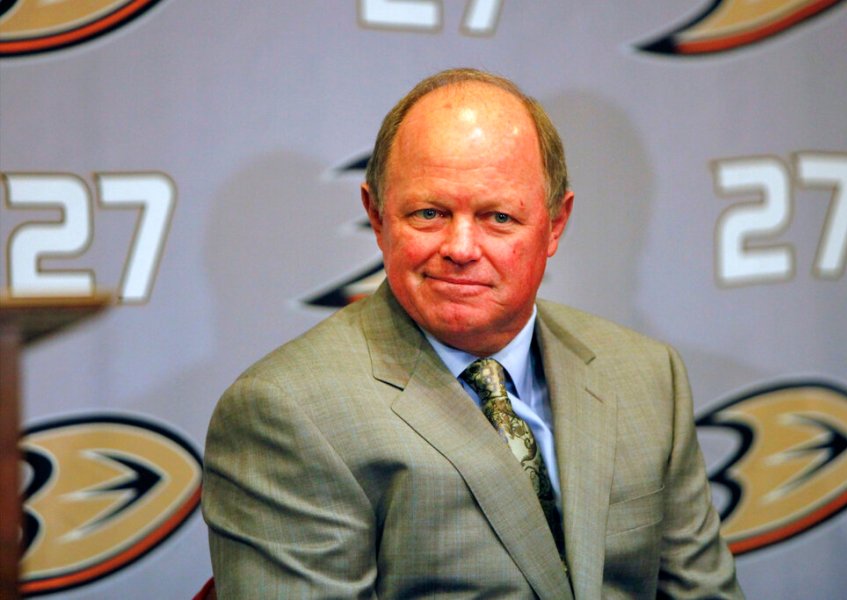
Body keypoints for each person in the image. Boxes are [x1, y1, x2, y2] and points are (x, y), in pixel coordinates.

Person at [202, 68, 743, 599]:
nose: (461, 248)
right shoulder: (286, 412)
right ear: (377, 215)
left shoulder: (647, 376)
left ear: (555, 224)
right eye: (430, 213)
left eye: (499, 217)